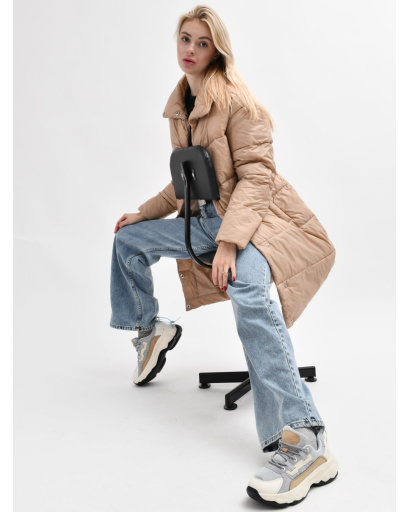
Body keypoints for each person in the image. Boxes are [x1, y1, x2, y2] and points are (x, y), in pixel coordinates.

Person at [110, 5, 339, 507]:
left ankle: (308, 439)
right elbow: (188, 182)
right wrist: (145, 213)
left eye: (202, 42)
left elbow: (257, 178)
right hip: (207, 223)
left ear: (217, 51)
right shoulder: (181, 106)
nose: (190, 50)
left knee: (249, 296)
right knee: (128, 241)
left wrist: (231, 244)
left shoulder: (237, 101)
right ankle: (151, 331)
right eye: (185, 39)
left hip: (256, 225)